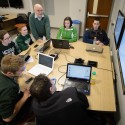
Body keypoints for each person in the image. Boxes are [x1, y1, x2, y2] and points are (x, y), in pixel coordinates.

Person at [30, 74, 100, 125]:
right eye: (51, 81)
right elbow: (86, 104)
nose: (52, 81)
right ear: (51, 90)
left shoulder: (34, 104)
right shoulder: (71, 93)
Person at [0, 55, 34, 125]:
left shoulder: (3, 71)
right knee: (34, 99)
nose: (23, 71)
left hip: (9, 99)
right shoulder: (9, 88)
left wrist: (18, 74)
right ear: (9, 73)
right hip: (9, 118)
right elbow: (7, 119)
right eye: (21, 70)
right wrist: (25, 97)